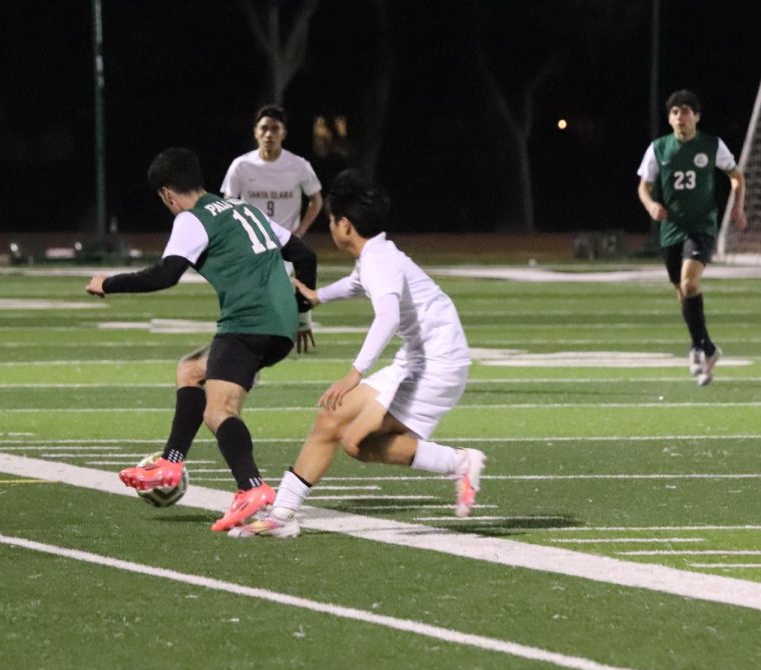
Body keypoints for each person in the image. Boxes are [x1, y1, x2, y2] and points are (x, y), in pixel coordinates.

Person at [229, 170, 485, 539]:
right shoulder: (375, 254)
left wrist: (355, 373)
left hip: (437, 366)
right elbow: (356, 283)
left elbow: (388, 315)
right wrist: (319, 296)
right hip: (419, 360)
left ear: (345, 225)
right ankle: (282, 515)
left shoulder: (378, 260)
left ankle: (459, 463)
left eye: (332, 220)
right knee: (331, 419)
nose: (330, 226)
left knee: (356, 442)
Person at [86, 147, 318, 532]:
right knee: (192, 369)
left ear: (167, 194)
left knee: (219, 410)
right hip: (280, 326)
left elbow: (165, 275)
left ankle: (253, 488)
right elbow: (304, 254)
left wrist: (108, 283)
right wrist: (302, 314)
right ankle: (172, 462)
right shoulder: (244, 209)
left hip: (247, 322)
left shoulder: (192, 220)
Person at [637, 89, 748, 386]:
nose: (679, 117)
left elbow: (736, 176)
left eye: (685, 111)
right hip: (671, 229)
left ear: (696, 116)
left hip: (701, 226)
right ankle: (706, 347)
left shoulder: (711, 145)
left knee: (690, 282)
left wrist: (737, 205)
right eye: (674, 112)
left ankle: (699, 348)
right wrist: (651, 205)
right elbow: (644, 186)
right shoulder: (659, 148)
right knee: (682, 293)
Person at [223, 105, 324, 353]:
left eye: (274, 129)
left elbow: (317, 199)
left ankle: (301, 322)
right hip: (253, 242)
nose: (269, 134)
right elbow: (228, 204)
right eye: (264, 128)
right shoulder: (241, 166)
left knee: (293, 283)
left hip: (286, 242)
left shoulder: (298, 165)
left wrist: (300, 231)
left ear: (283, 133)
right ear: (256, 132)